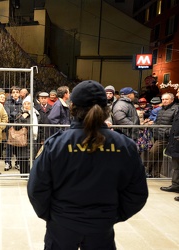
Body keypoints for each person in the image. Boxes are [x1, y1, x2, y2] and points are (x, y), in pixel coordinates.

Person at [28, 80, 148, 249]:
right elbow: (137, 192)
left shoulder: (55, 145)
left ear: (72, 107)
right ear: (106, 109)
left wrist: (54, 216)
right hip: (101, 226)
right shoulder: (125, 145)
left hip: (62, 225)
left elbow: (36, 189)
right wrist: (111, 216)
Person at [147, 92, 178, 177]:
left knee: (153, 152)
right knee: (159, 155)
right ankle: (156, 174)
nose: (164, 101)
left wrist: (168, 132)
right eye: (163, 99)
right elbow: (158, 122)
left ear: (172, 100)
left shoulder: (176, 109)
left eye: (166, 99)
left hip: (166, 136)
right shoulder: (161, 109)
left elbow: (175, 123)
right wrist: (153, 126)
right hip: (158, 135)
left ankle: (146, 171)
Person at [160, 90, 179, 201]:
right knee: (176, 165)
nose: (177, 94)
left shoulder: (175, 107)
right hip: (175, 140)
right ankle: (175, 185)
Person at [14, 96, 40, 177]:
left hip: (34, 139)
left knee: (33, 157)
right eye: (25, 103)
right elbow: (16, 127)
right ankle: (23, 174)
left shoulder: (37, 114)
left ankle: (31, 174)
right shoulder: (20, 114)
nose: (26, 105)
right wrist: (23, 118)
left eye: (28, 103)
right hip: (23, 139)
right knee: (23, 157)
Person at [4, 86, 23, 171]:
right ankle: (8, 162)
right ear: (11, 93)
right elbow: (7, 113)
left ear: (19, 93)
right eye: (13, 92)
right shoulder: (7, 102)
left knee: (19, 144)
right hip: (10, 126)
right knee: (9, 144)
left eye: (17, 92)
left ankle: (18, 162)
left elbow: (22, 112)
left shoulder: (22, 102)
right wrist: (15, 115)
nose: (15, 94)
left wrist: (14, 115)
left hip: (19, 126)